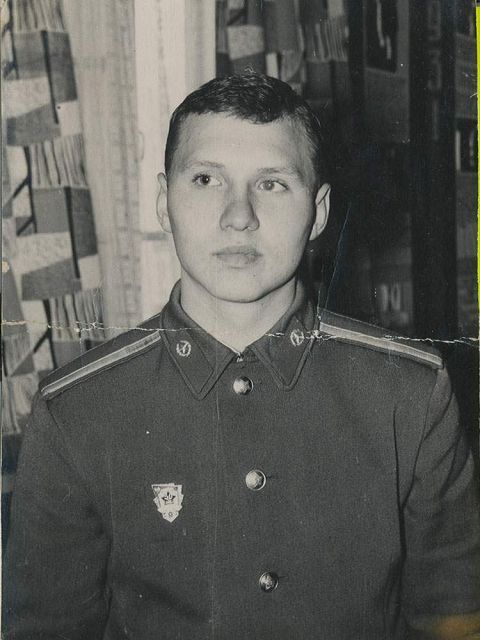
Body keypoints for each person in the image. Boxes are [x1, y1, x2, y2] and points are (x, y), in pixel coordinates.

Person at [3, 73, 480, 640]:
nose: (239, 215)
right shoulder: (76, 411)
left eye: (272, 184)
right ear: (163, 203)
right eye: (206, 179)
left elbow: (454, 618)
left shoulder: (410, 394)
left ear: (319, 212)